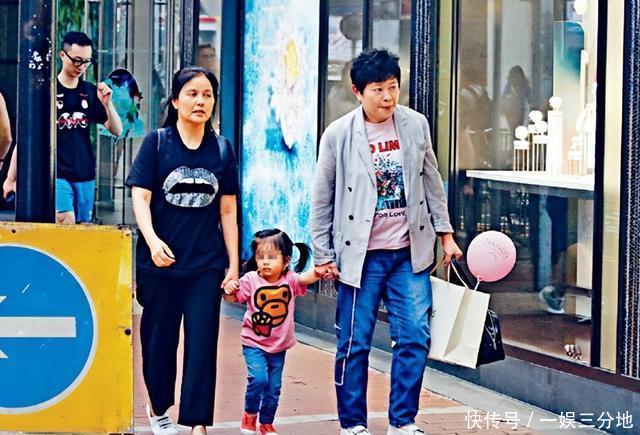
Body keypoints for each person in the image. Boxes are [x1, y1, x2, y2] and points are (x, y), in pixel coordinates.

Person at [310, 48, 463, 435]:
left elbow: (432, 182)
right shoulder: (339, 134)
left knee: (414, 337)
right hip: (360, 257)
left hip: (408, 254)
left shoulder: (415, 125)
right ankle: (352, 424)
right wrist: (323, 254)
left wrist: (445, 235)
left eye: (393, 87)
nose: (388, 97)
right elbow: (322, 198)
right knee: (354, 342)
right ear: (357, 92)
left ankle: (402, 421)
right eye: (378, 89)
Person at [125, 66, 239, 435]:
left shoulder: (222, 149)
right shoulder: (157, 143)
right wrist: (152, 239)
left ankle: (197, 423)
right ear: (175, 101)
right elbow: (140, 198)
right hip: (161, 263)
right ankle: (158, 407)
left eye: (207, 95)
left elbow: (228, 211)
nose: (200, 101)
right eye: (192, 94)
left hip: (205, 264)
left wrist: (233, 266)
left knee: (202, 343)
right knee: (159, 342)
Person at [223, 229, 321, 435]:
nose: (265, 262)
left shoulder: (290, 279)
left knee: (273, 388)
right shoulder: (251, 280)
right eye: (261, 257)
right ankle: (250, 415)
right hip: (254, 343)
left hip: (279, 346)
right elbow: (231, 299)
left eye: (272, 257)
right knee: (259, 379)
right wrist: (228, 288)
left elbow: (306, 278)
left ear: (285, 261)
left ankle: (266, 423)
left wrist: (321, 270)